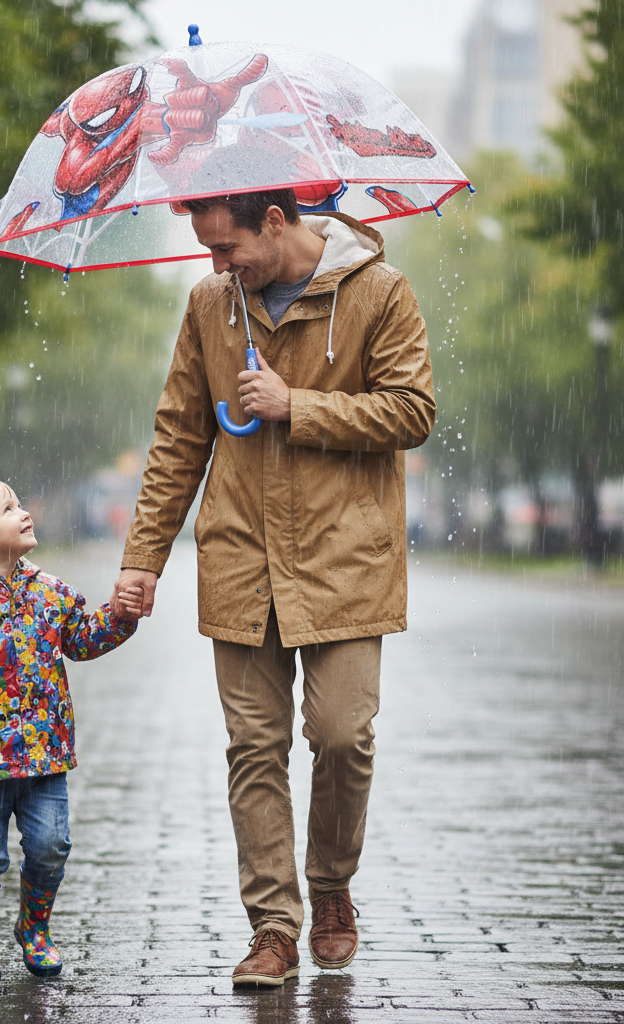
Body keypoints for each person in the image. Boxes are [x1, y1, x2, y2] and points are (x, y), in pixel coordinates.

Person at [110, 189, 435, 985]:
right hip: (240, 556)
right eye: (208, 251)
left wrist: (300, 406)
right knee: (254, 748)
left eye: (228, 248)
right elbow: (180, 435)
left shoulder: (378, 292)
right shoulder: (211, 306)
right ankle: (274, 931)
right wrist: (142, 558)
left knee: (341, 734)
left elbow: (413, 410)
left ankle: (331, 887)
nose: (218, 265)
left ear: (277, 223)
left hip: (345, 557)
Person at [0, 477, 143, 984]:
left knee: (51, 845)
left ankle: (33, 927)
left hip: (45, 758)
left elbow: (83, 638)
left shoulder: (47, 590)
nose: (23, 511)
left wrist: (120, 615)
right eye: (8, 508)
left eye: (19, 503)